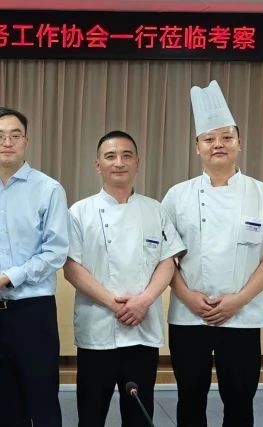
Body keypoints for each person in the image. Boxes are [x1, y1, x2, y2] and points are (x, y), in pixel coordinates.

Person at [162, 80, 263, 426]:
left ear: (239, 142)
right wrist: (188, 297)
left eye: (226, 137)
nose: (218, 144)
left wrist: (239, 300)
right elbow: (165, 258)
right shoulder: (176, 196)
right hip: (189, 316)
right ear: (197, 147)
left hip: (242, 315)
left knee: (239, 398)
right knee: (189, 397)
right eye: (209, 139)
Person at [64, 130, 185, 426]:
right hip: (98, 331)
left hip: (142, 330)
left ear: (137, 163)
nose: (119, 162)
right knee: (91, 417)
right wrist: (113, 303)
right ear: (98, 165)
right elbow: (71, 267)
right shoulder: (79, 212)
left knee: (139, 417)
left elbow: (168, 261)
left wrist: (144, 300)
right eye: (110, 156)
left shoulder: (154, 210)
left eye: (126, 155)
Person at [0, 107, 69, 426]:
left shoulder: (49, 189)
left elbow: (56, 251)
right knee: (4, 400)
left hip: (33, 311)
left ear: (26, 141)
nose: (7, 142)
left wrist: (9, 277)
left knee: (43, 400)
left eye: (14, 135)